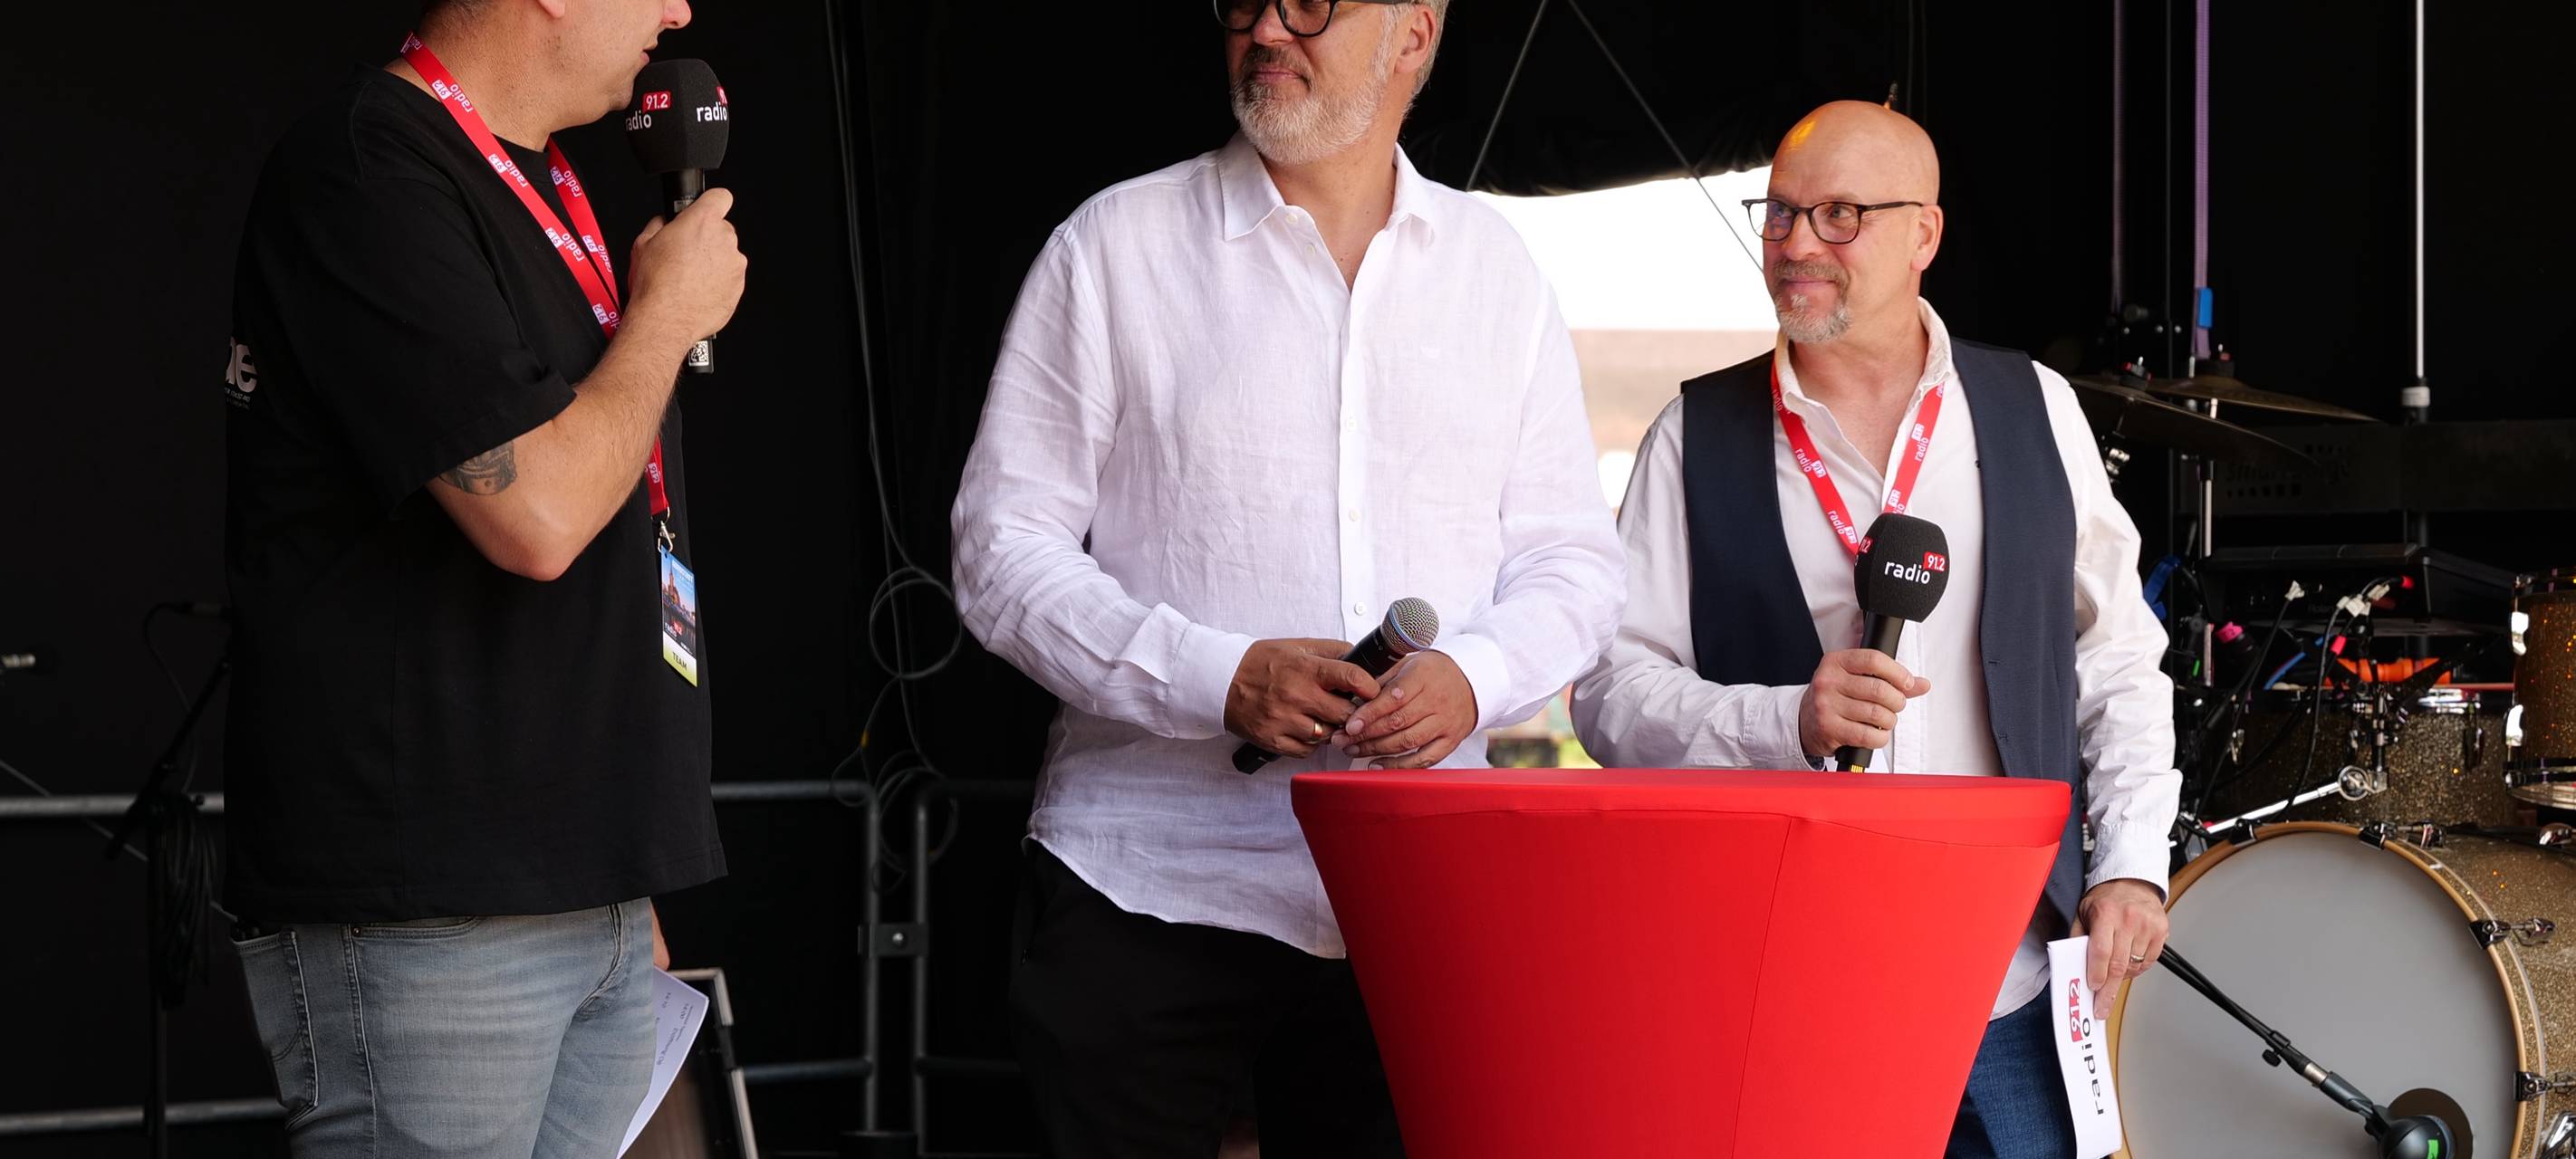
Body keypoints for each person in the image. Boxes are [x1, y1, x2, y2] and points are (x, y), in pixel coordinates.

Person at [948, 0, 1626, 1153]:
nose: (1264, 26)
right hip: (1145, 881)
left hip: (1411, 894)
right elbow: (999, 551)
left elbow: (1573, 556)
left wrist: (1474, 672)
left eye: (1310, 1)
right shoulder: (1113, 247)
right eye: (1242, 0)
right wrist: (1215, 677)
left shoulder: (1495, 271)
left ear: (1414, 37)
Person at [1569, 101, 2178, 1158]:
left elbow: (2116, 654)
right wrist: (1782, 719)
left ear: (1924, 237)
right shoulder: (1694, 435)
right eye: (1781, 214)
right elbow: (1609, 692)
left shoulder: (2034, 406)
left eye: (1840, 215)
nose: (1798, 243)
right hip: (1782, 985)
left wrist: (2129, 859)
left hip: (2011, 982)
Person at [221, 0, 743, 1152]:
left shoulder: (543, 180)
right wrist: (664, 317)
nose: (679, 10)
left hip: (583, 887)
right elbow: (540, 517)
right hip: (434, 921)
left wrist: (621, 862)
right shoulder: (369, 167)